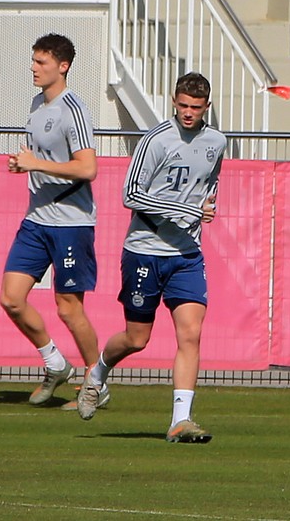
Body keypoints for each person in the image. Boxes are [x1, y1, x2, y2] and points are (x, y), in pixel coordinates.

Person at [76, 72, 225, 444]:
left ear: (207, 107)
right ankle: (97, 374)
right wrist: (181, 209)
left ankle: (180, 420)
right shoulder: (155, 140)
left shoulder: (216, 142)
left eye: (196, 107)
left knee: (191, 334)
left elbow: (209, 186)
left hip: (187, 254)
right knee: (136, 338)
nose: (188, 113)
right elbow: (131, 194)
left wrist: (206, 208)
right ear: (174, 102)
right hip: (144, 251)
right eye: (183, 105)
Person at [0, 33, 106, 408]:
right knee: (11, 299)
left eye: (41, 62)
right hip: (37, 219)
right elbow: (42, 159)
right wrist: (23, 166)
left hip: (71, 223)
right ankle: (55, 362)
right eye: (33, 60)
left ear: (63, 67)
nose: (33, 67)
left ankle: (97, 380)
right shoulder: (36, 104)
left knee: (68, 308)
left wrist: (35, 164)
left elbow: (88, 168)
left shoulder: (72, 110)